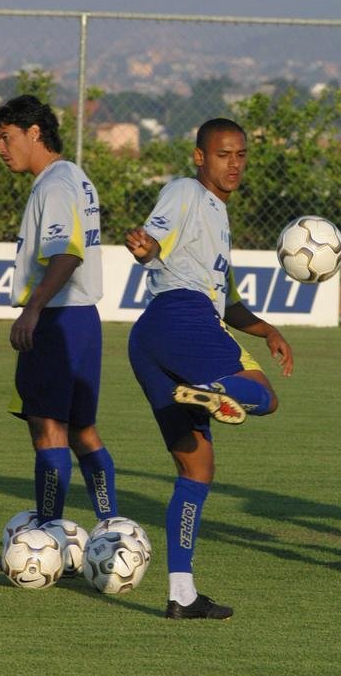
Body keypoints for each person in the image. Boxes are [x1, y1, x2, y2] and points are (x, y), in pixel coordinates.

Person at [126, 117, 293, 619]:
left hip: (150, 338)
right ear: (200, 157)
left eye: (241, 154)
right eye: (224, 154)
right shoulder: (186, 192)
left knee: (196, 468)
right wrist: (147, 249)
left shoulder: (218, 219)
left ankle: (181, 595)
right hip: (182, 316)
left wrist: (267, 330)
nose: (235, 163)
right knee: (263, 394)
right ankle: (212, 389)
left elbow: (230, 304)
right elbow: (152, 241)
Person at [0, 94, 118, 526]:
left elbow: (67, 255)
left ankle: (48, 536)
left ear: (34, 133)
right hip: (81, 319)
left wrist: (32, 310)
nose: (1, 149)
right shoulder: (73, 178)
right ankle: (110, 527)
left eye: (6, 138)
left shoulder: (55, 184)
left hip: (58, 318)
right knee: (82, 431)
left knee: (47, 430)